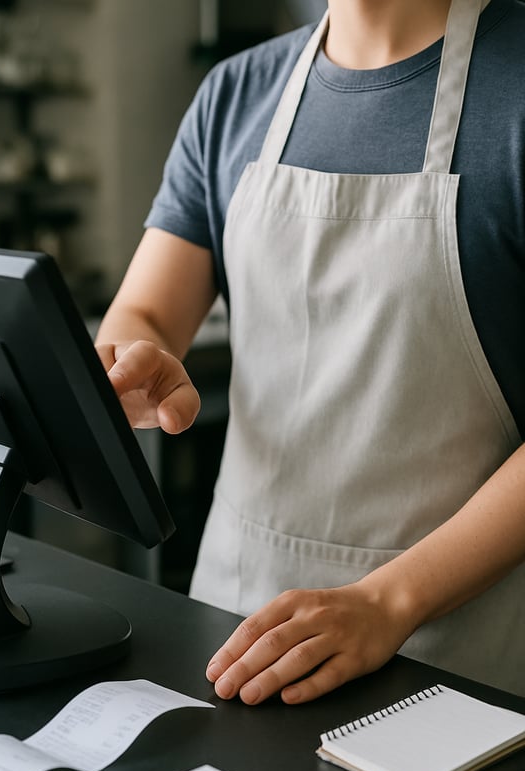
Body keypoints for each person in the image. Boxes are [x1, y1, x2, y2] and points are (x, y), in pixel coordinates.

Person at [95, 0, 525, 705]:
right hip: (235, 633)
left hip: (449, 659)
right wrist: (134, 361)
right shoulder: (234, 95)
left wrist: (388, 603)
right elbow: (141, 311)